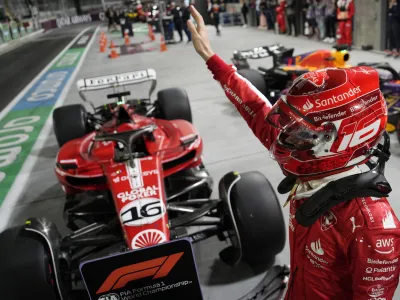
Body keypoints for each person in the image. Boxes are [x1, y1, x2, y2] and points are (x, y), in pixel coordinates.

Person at [186, 5, 400, 299]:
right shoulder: (313, 163)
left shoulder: (373, 226)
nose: (284, 138)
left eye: (300, 134)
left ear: (340, 138)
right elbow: (258, 112)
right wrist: (214, 61)